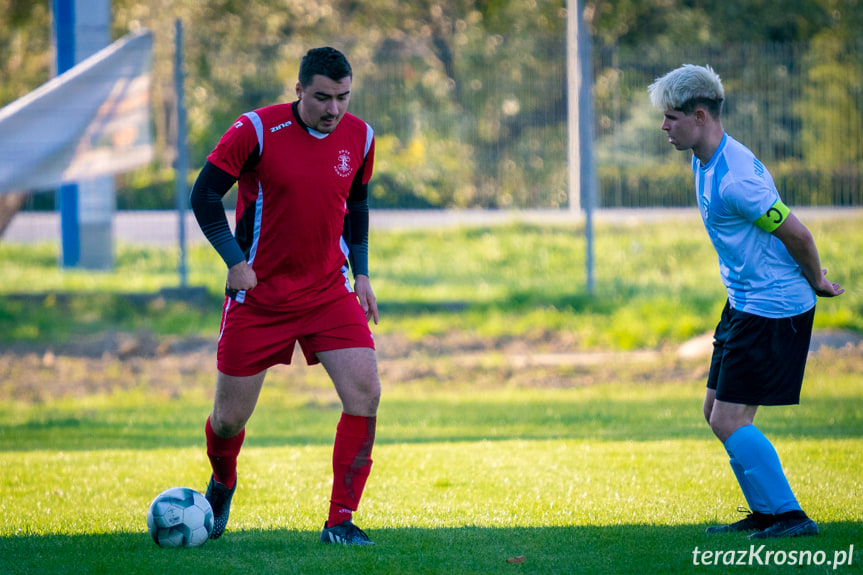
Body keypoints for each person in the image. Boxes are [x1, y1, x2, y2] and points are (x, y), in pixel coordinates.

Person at [189, 46, 381, 545]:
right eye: (322, 97)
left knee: (365, 393)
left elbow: (356, 203)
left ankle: (341, 520)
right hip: (260, 297)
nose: (333, 109)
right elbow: (205, 195)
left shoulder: (361, 137)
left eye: (342, 97)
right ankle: (223, 482)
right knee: (228, 420)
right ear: (298, 90)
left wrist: (361, 273)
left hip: (326, 291)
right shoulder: (255, 129)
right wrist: (235, 262)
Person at [647, 64, 844, 539]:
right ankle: (765, 512)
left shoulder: (736, 180)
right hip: (743, 302)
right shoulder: (705, 157)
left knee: (729, 417)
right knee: (716, 412)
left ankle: (790, 516)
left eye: (671, 117)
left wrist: (816, 279)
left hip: (772, 307)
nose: (663, 127)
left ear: (699, 116)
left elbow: (797, 232)